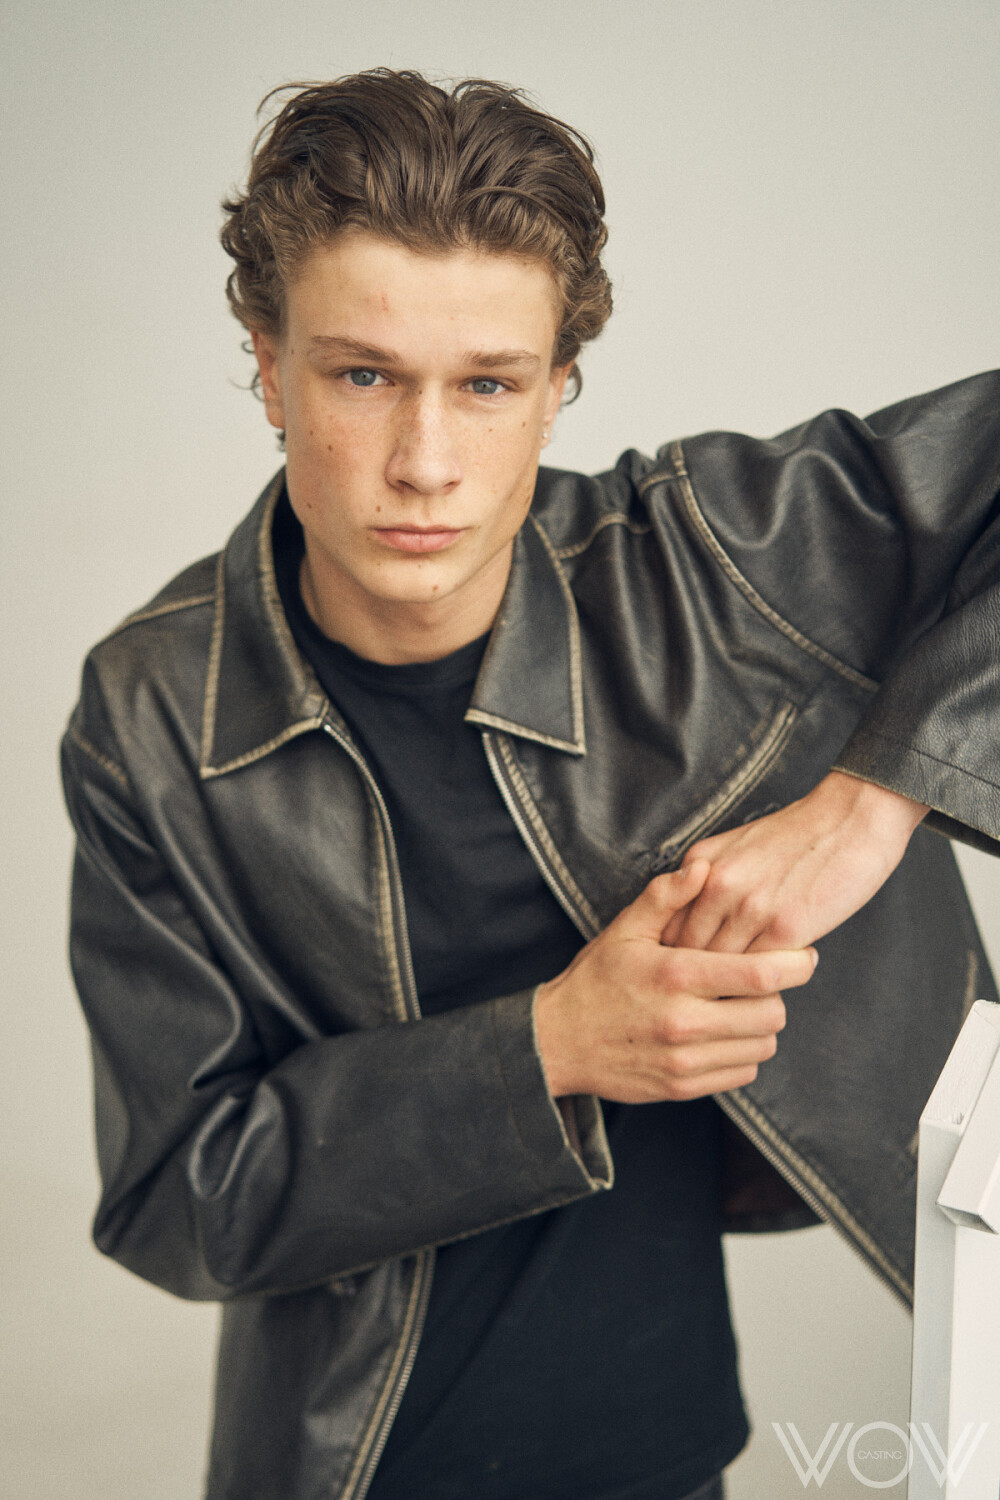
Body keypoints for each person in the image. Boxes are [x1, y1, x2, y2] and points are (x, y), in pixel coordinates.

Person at [61, 69, 1000, 1500]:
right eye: (362, 375)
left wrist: (874, 803)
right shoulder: (150, 710)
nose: (426, 464)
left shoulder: (711, 571)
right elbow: (179, 1199)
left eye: (489, 385)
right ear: (266, 361)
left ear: (559, 387)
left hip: (671, 1454)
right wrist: (551, 1045)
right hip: (342, 1472)